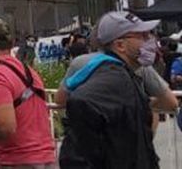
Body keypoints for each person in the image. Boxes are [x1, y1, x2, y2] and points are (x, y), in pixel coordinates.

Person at [58, 11, 160, 168]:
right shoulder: (113, 81)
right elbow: (82, 103)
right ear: (120, 45)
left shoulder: (125, 75)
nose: (150, 41)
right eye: (143, 36)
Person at [0, 19, 56, 169]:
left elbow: (6, 126)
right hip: (46, 158)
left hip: (17, 160)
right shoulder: (29, 72)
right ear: (11, 43)